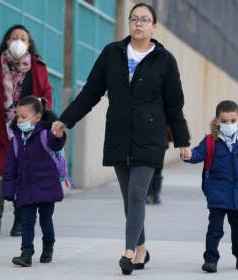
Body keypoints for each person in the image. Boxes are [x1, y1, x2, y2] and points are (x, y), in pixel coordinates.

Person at [52, 3, 190, 275]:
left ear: (153, 26)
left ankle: (128, 252)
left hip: (150, 137)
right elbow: (91, 92)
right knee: (129, 197)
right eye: (134, 18)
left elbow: (174, 105)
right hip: (118, 134)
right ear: (129, 23)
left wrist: (183, 140)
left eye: (145, 19)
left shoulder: (165, 60)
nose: (139, 23)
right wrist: (65, 119)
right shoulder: (111, 54)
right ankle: (141, 248)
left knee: (138, 193)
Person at [0, 24, 53, 240]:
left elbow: (47, 95)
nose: (18, 41)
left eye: (23, 38)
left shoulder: (38, 67)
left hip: (25, 131)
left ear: (29, 44)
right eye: (13, 37)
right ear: (6, 42)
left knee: (23, 175)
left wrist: (41, 105)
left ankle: (19, 223)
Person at [183, 100, 238, 273]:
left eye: (232, 121)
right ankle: (211, 259)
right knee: (214, 229)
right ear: (217, 121)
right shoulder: (211, 141)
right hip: (217, 194)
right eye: (224, 121)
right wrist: (189, 155)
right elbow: (198, 153)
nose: (229, 124)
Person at [2, 96, 66, 267]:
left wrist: (59, 135)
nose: (20, 120)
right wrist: (8, 189)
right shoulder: (16, 140)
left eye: (24, 117)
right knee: (27, 222)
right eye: (18, 116)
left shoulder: (45, 134)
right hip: (26, 187)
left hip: (46, 187)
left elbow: (56, 143)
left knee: (46, 221)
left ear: (37, 117)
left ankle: (48, 246)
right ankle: (26, 253)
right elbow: (10, 167)